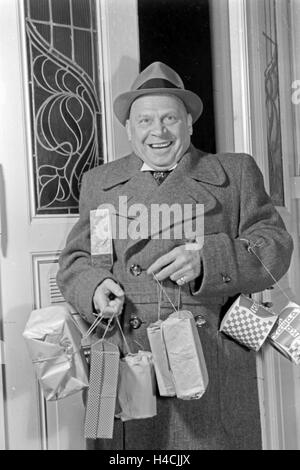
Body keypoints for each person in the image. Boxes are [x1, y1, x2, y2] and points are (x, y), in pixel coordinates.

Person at [57, 61, 293, 450]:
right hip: (120, 350)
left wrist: (208, 260)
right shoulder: (100, 182)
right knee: (119, 447)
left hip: (207, 356)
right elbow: (78, 259)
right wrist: (95, 285)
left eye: (169, 118)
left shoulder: (233, 173)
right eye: (145, 121)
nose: (158, 132)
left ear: (189, 123)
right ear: (130, 129)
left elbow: (275, 245)